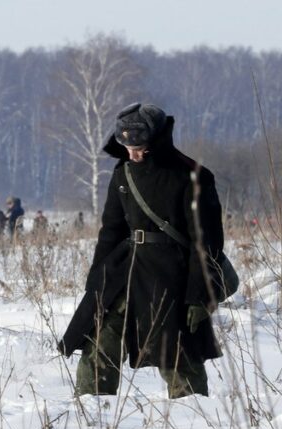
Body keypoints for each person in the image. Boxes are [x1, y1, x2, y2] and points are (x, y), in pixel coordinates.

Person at [58, 102, 225, 398]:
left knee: (178, 357)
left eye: (140, 147)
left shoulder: (193, 176)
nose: (133, 153)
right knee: (99, 345)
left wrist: (200, 294)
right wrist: (97, 280)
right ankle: (92, 418)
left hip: (171, 277)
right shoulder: (124, 174)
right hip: (124, 272)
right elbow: (111, 230)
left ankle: (193, 424)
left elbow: (206, 242)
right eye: (127, 146)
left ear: (157, 140)